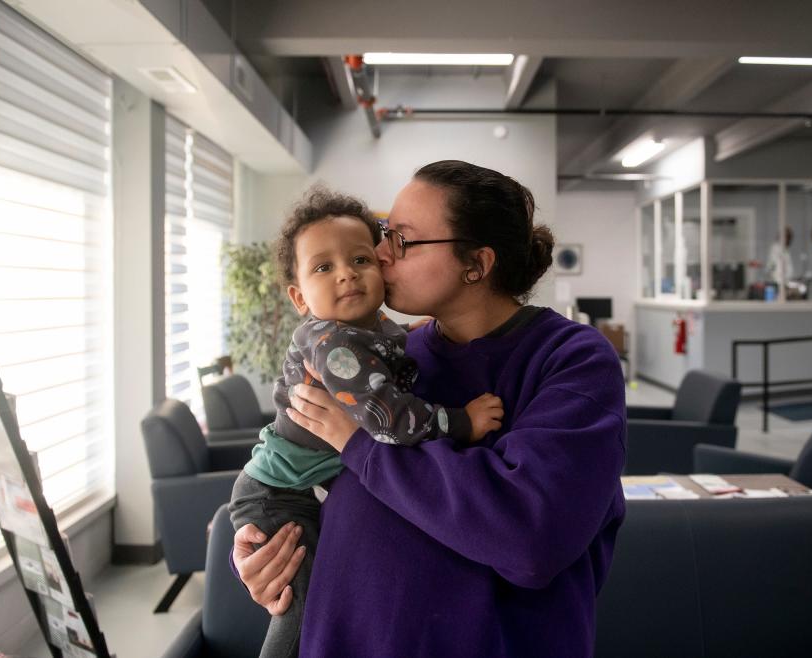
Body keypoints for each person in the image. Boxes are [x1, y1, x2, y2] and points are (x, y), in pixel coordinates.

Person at [232, 160, 627, 658]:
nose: (378, 254)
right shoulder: (385, 358)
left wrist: (360, 446)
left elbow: (530, 536)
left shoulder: (571, 359)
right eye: (383, 234)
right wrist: (262, 555)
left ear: (476, 264)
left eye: (400, 239)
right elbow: (306, 479)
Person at [228, 186, 505, 658]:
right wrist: (462, 422)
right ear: (299, 297)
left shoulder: (373, 330)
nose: (346, 276)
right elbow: (387, 419)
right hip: (282, 496)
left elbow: (393, 345)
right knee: (299, 607)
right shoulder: (334, 344)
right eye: (323, 267)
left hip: (303, 490)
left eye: (362, 259)